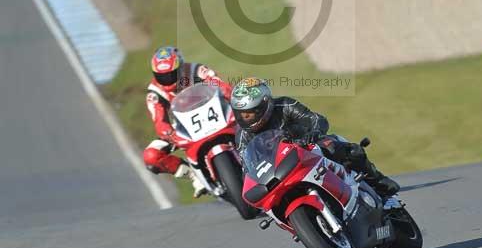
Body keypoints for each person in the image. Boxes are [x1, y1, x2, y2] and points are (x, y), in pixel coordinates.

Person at [230, 78, 399, 198]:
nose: (246, 118)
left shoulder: (284, 105)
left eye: (251, 113)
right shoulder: (242, 136)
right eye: (242, 114)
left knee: (344, 149)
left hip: (308, 146)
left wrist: (312, 133)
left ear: (265, 104)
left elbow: (316, 119)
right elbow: (247, 167)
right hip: (280, 169)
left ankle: (376, 180)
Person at [143, 46, 232, 197]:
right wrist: (170, 134)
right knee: (151, 156)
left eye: (171, 74)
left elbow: (221, 85)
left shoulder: (196, 70)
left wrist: (229, 95)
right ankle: (194, 175)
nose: (167, 79)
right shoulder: (154, 92)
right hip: (183, 127)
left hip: (214, 112)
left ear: (181, 66)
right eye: (162, 76)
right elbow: (160, 122)